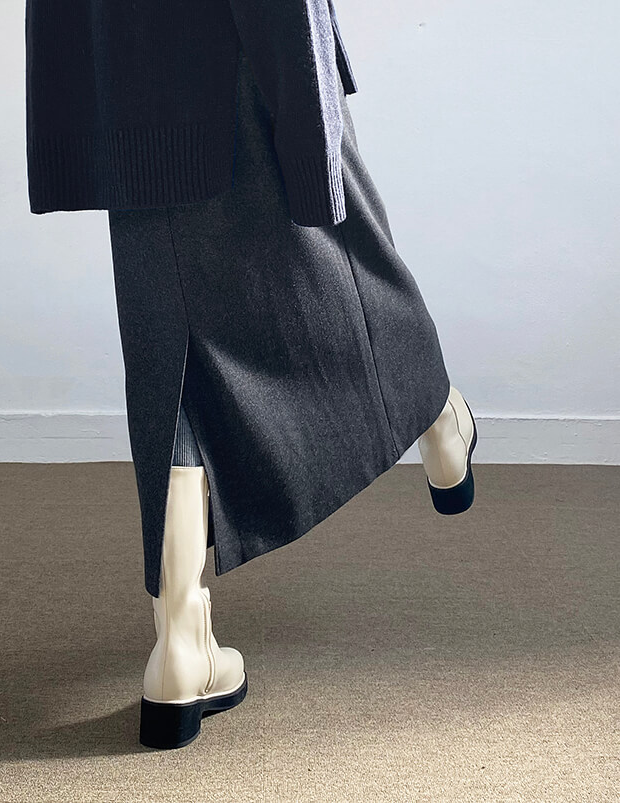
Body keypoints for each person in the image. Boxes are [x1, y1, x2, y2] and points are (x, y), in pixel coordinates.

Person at [24, 0, 478, 750]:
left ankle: (179, 643)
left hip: (125, 75)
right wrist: (308, 92)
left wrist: (77, 100)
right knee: (347, 258)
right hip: (235, 56)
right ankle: (440, 420)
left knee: (171, 359)